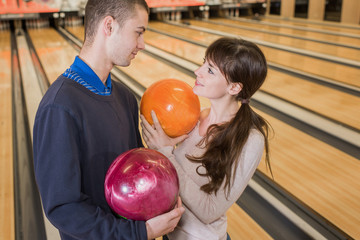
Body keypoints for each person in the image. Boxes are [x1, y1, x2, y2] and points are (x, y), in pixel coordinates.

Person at [32, 0, 184, 239]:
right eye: (138, 33)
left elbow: (136, 176)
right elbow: (63, 207)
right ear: (109, 26)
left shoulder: (125, 98)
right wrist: (140, 232)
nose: (142, 45)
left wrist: (164, 159)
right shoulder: (59, 107)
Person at [140, 37, 273, 240]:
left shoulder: (249, 140)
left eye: (210, 70)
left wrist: (166, 153)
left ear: (234, 88)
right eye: (203, 62)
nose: (197, 72)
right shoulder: (195, 117)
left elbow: (209, 211)